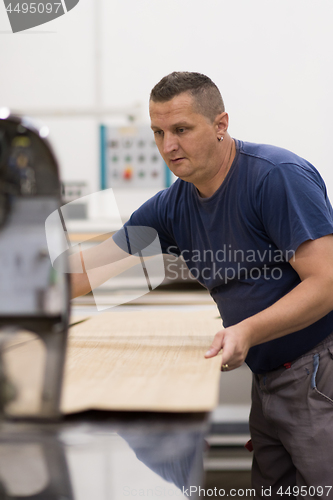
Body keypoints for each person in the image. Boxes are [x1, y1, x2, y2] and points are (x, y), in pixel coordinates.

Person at [71, 72, 333, 497]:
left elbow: (326, 284)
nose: (167, 146)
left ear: (220, 125)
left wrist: (245, 331)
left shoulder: (276, 177)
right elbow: (88, 270)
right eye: (158, 132)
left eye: (181, 130)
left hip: (319, 372)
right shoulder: (171, 207)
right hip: (267, 378)